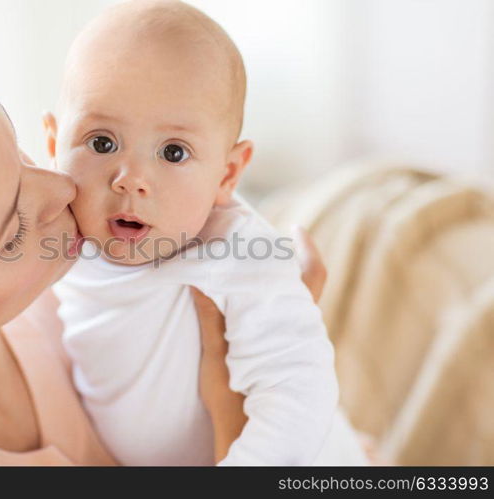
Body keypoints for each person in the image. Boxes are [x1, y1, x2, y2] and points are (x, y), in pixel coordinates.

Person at [0, 38, 325, 466]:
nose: (62, 189)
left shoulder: (51, 266)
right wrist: (229, 408)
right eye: (13, 232)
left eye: (15, 148)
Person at [47, 0, 367, 465]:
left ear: (227, 174)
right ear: (54, 146)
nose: (131, 177)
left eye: (173, 152)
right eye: (102, 142)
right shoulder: (53, 227)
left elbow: (299, 385)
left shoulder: (233, 249)